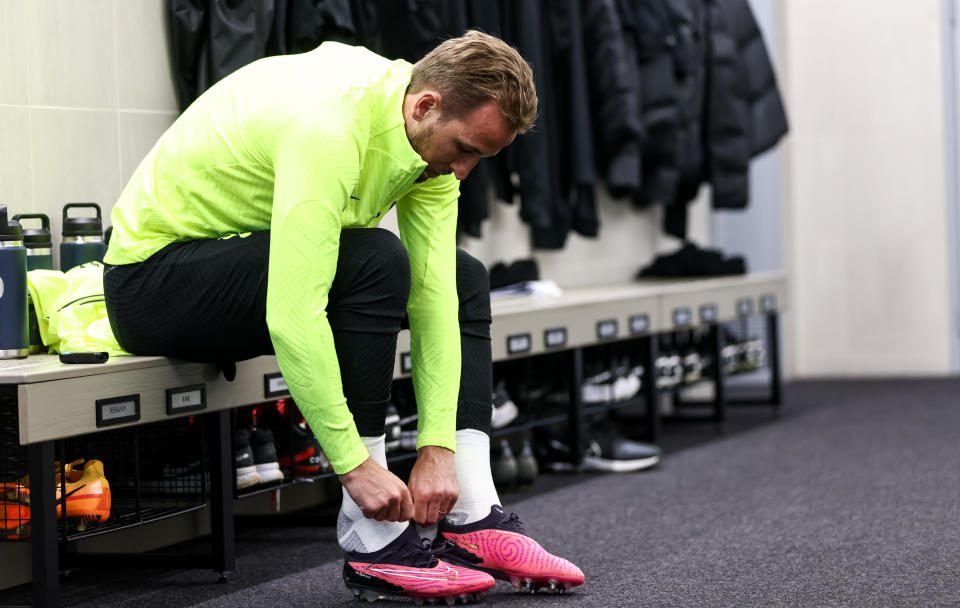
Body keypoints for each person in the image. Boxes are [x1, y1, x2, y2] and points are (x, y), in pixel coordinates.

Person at [103, 31, 584, 602]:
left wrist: (438, 449)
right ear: (425, 105)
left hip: (241, 263)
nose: (462, 172)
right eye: (463, 149)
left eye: (481, 157)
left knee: (465, 278)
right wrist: (356, 467)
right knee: (375, 261)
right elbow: (292, 313)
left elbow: (434, 298)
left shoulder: (424, 140)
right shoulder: (329, 128)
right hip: (153, 282)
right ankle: (371, 538)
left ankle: (472, 517)